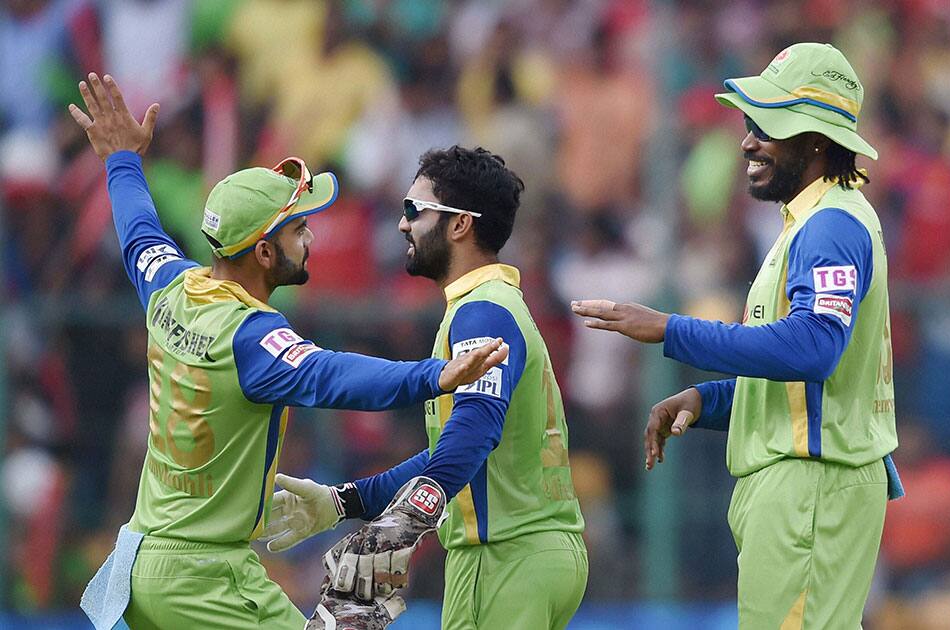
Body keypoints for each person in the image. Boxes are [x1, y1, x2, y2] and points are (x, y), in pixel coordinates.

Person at [69, 73, 508, 630]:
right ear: (263, 251)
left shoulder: (169, 288)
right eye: (299, 228)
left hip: (143, 567)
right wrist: (436, 375)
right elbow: (333, 375)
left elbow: (137, 230)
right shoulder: (251, 336)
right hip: (207, 575)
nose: (311, 239)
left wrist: (122, 160)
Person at [570, 43, 904, 629]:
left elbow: (814, 350)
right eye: (749, 122)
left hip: (810, 485)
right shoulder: (821, 221)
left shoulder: (830, 226)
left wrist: (670, 329)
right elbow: (808, 379)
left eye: (767, 126)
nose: (747, 140)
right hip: (805, 482)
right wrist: (708, 400)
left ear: (817, 142)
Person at [268, 146, 589, 629]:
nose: (402, 224)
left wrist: (399, 529)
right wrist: (343, 502)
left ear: (460, 224)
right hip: (530, 553)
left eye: (414, 210)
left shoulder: (481, 311)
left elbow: (474, 431)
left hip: (502, 556)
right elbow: (456, 453)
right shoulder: (491, 305)